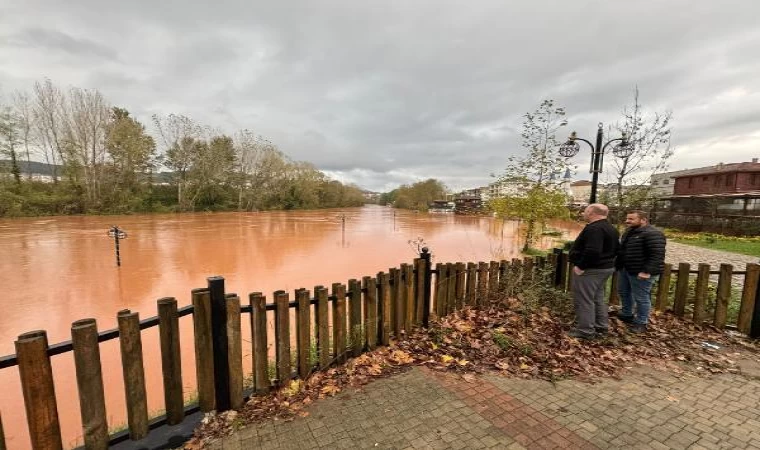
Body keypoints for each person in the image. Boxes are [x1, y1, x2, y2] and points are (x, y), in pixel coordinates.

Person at [567, 203, 620, 340]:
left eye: (585, 211)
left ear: (591, 212)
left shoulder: (594, 229)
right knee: (597, 298)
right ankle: (601, 327)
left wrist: (581, 266)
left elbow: (593, 251)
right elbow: (616, 249)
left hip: (591, 270)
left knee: (584, 299)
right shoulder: (610, 228)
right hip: (605, 268)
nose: (583, 213)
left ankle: (585, 331)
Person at [616, 210, 666, 333]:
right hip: (627, 268)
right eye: (627, 218)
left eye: (631, 219)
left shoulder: (653, 234)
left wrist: (646, 271)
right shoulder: (630, 232)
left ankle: (641, 322)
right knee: (624, 292)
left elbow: (657, 255)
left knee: (641, 297)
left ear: (643, 220)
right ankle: (627, 313)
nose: (627, 221)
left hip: (641, 272)